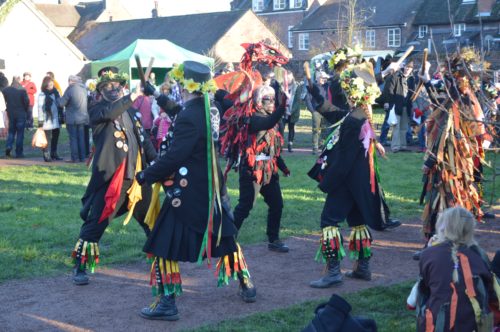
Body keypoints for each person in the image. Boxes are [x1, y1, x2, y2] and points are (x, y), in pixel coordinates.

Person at [136, 61, 256, 321]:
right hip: (210, 188)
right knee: (224, 236)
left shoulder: (192, 115)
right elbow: (180, 110)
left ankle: (167, 303)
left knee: (162, 244)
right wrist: (156, 93)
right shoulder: (206, 108)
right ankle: (246, 282)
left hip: (189, 193)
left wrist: (147, 174)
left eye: (180, 82)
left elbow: (176, 154)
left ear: (184, 83)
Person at [307, 50, 399, 289]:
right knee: (357, 222)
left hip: (346, 182)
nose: (345, 94)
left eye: (348, 91)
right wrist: (314, 92)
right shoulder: (359, 115)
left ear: (353, 93)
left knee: (329, 221)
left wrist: (328, 183)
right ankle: (363, 268)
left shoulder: (354, 120)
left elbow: (344, 159)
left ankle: (333, 272)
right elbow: (331, 111)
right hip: (360, 183)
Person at [70, 67, 157, 285]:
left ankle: (159, 261)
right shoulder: (96, 109)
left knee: (152, 221)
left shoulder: (130, 111)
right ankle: (80, 266)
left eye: (117, 85)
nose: (113, 89)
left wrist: (156, 162)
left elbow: (143, 139)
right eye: (108, 86)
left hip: (138, 177)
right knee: (96, 223)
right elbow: (111, 112)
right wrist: (134, 95)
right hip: (114, 180)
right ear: (100, 90)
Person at [231, 84, 291, 253]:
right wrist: (282, 106)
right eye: (268, 99)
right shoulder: (254, 119)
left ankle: (274, 239)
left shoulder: (271, 120)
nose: (271, 102)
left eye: (274, 99)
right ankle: (227, 241)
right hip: (252, 170)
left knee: (277, 204)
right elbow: (268, 122)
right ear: (259, 101)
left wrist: (283, 167)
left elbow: (273, 149)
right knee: (245, 206)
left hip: (269, 170)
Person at [417, 207, 497, 331]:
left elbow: (424, 289)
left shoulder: (428, 254)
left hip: (436, 323)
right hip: (472, 325)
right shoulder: (479, 256)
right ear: (470, 229)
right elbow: (490, 293)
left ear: (443, 227)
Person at [378, 61, 415, 152]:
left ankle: (402, 146)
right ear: (403, 67)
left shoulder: (412, 79)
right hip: (396, 105)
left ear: (412, 69)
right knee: (396, 126)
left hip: (407, 105)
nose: (407, 69)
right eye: (406, 67)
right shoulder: (396, 76)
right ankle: (395, 147)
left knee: (404, 127)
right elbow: (390, 90)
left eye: (409, 68)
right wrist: (388, 102)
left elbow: (412, 92)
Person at [59, 75, 89, 163]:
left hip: (72, 118)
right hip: (83, 117)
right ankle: (82, 157)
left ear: (71, 81)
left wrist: (58, 99)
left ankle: (75, 158)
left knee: (73, 139)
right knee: (81, 138)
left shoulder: (70, 89)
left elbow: (61, 103)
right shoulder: (83, 89)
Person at [37, 76, 63, 162]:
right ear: (46, 85)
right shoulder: (42, 94)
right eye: (50, 84)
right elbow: (40, 109)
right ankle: (46, 154)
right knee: (47, 138)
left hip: (55, 118)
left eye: (52, 84)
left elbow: (60, 104)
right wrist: (40, 122)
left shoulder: (56, 92)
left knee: (56, 136)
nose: (51, 85)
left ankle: (54, 153)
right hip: (47, 119)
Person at [3, 76, 29, 158]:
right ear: (19, 81)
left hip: (11, 113)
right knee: (20, 134)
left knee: (11, 132)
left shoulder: (6, 90)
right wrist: (25, 110)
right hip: (21, 113)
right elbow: (26, 102)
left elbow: (3, 101)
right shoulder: (22, 90)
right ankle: (19, 153)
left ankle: (9, 146)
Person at [284, 71, 303, 153]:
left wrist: (291, 111)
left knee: (291, 128)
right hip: (283, 112)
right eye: (287, 78)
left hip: (292, 112)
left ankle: (290, 144)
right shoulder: (282, 86)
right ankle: (280, 145)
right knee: (281, 128)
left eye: (290, 77)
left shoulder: (297, 86)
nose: (288, 79)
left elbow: (298, 101)